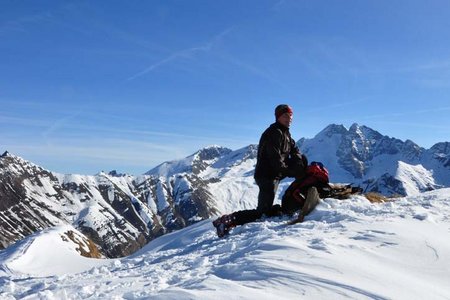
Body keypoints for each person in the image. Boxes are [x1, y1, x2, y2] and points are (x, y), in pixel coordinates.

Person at [213, 104, 307, 237]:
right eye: (286, 116)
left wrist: (298, 162)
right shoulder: (274, 133)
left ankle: (281, 208)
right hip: (266, 176)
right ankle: (226, 221)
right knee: (261, 212)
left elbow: (295, 150)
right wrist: (292, 172)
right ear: (278, 117)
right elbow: (275, 160)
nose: (289, 118)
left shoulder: (285, 133)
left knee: (303, 160)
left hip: (275, 174)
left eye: (291, 116)